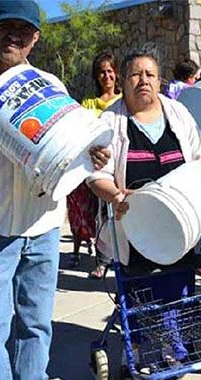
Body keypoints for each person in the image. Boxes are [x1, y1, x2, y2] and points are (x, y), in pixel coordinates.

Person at [0, 1, 110, 380]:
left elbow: (71, 147)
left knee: (35, 326)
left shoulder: (51, 84)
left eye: (24, 29)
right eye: (7, 26)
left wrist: (93, 154)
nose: (14, 35)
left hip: (45, 225)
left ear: (35, 37)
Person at [85, 49, 201, 380]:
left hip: (180, 225)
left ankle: (172, 351)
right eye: (135, 75)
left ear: (160, 81)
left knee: (177, 288)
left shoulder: (179, 115)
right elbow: (96, 175)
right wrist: (116, 195)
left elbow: (199, 162)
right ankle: (133, 354)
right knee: (138, 293)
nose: (143, 81)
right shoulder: (110, 121)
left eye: (150, 74)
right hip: (133, 225)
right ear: (123, 82)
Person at [66, 50, 122, 277]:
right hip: (96, 167)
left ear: (116, 74)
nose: (106, 76)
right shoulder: (88, 103)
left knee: (119, 214)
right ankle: (102, 260)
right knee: (100, 215)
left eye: (110, 71)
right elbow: (81, 130)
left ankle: (121, 258)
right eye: (101, 72)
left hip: (120, 164)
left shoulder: (123, 100)